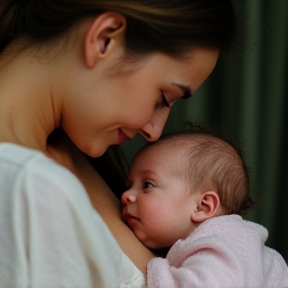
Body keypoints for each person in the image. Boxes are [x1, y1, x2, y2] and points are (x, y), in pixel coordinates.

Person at [0, 0, 238, 287]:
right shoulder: (24, 186)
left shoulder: (70, 151)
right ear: (105, 39)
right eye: (163, 98)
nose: (154, 131)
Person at [122, 124, 288, 287]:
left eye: (147, 185)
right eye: (129, 185)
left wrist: (158, 272)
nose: (126, 196)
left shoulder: (223, 244)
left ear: (202, 206)